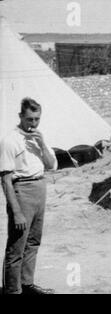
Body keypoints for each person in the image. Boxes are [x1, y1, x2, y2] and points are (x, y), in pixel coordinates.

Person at [0, 98, 57, 294]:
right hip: (22, 190)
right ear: (20, 117)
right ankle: (12, 290)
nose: (33, 124)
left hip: (40, 188)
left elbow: (51, 165)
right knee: (17, 246)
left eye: (37, 119)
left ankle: (27, 284)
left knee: (33, 241)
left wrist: (41, 144)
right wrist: (16, 212)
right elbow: (6, 180)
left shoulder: (39, 137)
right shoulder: (10, 140)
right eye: (29, 119)